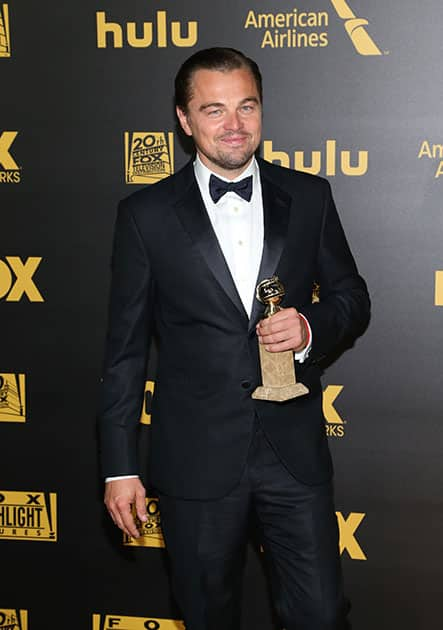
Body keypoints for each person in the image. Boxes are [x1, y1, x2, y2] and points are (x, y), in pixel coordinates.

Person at [99, 47, 370, 630]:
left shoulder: (309, 196)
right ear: (184, 119)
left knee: (322, 614)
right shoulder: (144, 215)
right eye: (214, 109)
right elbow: (123, 352)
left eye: (246, 106)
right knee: (206, 615)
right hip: (195, 459)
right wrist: (119, 466)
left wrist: (308, 328)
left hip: (292, 456)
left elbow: (352, 299)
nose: (234, 124)